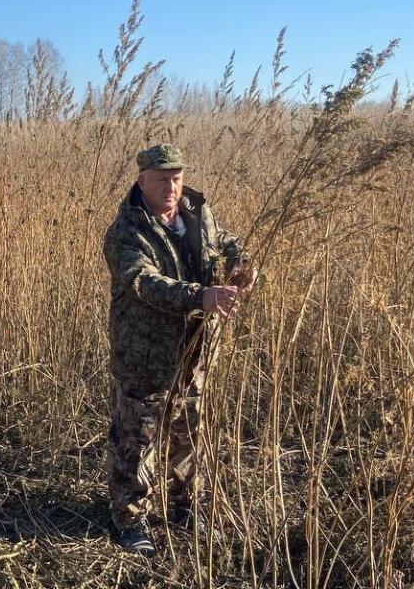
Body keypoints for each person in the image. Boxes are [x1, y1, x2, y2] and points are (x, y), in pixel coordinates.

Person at [102, 143, 256, 557]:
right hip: (144, 355)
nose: (171, 186)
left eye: (176, 177)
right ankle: (128, 518)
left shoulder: (197, 213)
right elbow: (142, 282)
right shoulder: (124, 233)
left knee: (189, 435)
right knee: (136, 441)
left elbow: (227, 243)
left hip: (194, 352)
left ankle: (186, 510)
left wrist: (242, 264)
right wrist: (200, 296)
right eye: (162, 179)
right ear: (142, 182)